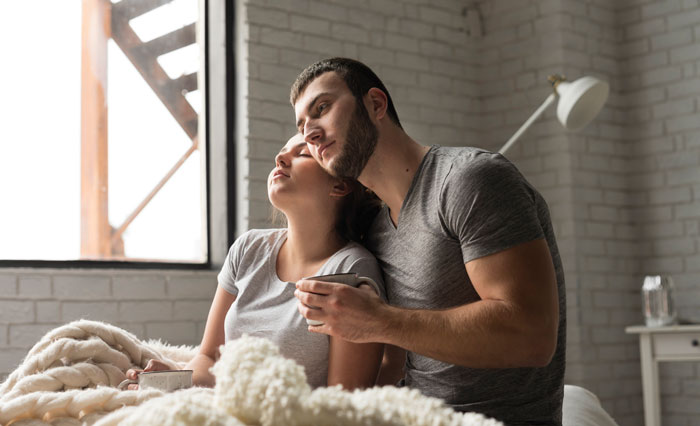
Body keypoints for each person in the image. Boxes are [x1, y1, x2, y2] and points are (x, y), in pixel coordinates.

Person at [290, 57, 566, 425]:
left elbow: (531, 335)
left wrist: (379, 321)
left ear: (375, 104)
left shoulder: (471, 180)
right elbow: (391, 361)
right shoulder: (372, 227)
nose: (310, 132)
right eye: (302, 124)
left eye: (321, 108)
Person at [126, 133, 386, 390]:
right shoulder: (248, 248)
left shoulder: (351, 270)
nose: (280, 158)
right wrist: (176, 379)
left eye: (303, 153)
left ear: (339, 186)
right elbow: (210, 358)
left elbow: (345, 401)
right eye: (283, 150)